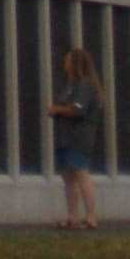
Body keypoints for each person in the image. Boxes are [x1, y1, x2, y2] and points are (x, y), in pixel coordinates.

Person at [48, 44, 105, 229]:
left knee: (81, 174)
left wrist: (58, 109)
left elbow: (77, 110)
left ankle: (90, 216)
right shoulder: (69, 86)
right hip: (65, 137)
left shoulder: (85, 86)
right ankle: (72, 216)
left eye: (68, 60)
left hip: (79, 138)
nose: (64, 63)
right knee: (68, 177)